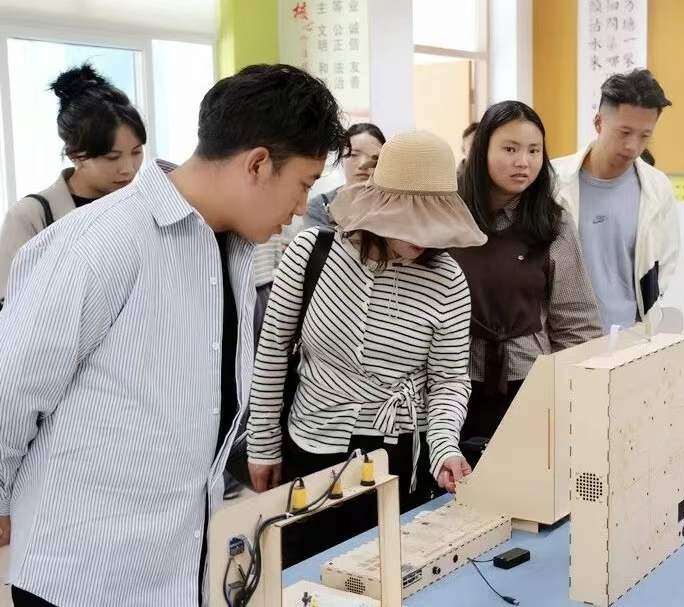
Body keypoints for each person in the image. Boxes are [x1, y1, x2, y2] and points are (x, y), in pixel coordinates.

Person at [0, 64, 345, 607]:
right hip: (80, 575)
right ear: (257, 164)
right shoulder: (103, 241)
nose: (303, 206)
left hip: (175, 566)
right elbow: (12, 386)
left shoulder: (231, 248)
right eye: (303, 184)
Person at [246, 130, 485, 555]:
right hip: (313, 447)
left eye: (435, 221)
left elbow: (449, 380)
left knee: (392, 571)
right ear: (381, 204)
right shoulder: (312, 252)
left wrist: (445, 448)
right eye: (412, 220)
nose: (424, 236)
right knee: (305, 571)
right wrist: (263, 444)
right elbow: (273, 351)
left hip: (401, 456)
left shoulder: (448, 279)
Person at [451, 100, 602, 445]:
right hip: (449, 386)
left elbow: (577, 322)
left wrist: (572, 395)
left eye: (534, 150)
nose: (524, 162)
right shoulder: (450, 214)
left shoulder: (554, 223)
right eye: (510, 149)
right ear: (482, 150)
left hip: (529, 383)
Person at [0, 63, 146, 305]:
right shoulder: (31, 215)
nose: (128, 168)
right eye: (112, 157)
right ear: (75, 155)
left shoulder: (140, 207)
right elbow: (8, 306)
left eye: (137, 152)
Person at [553, 69, 679, 334]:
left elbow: (664, 263)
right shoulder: (553, 181)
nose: (633, 146)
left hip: (631, 336)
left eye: (645, 135)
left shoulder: (658, 188)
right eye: (624, 132)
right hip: (565, 337)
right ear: (599, 123)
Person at [303, 122, 385, 228]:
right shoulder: (320, 206)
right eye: (353, 154)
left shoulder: (396, 205)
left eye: (374, 157)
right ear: (341, 158)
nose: (363, 164)